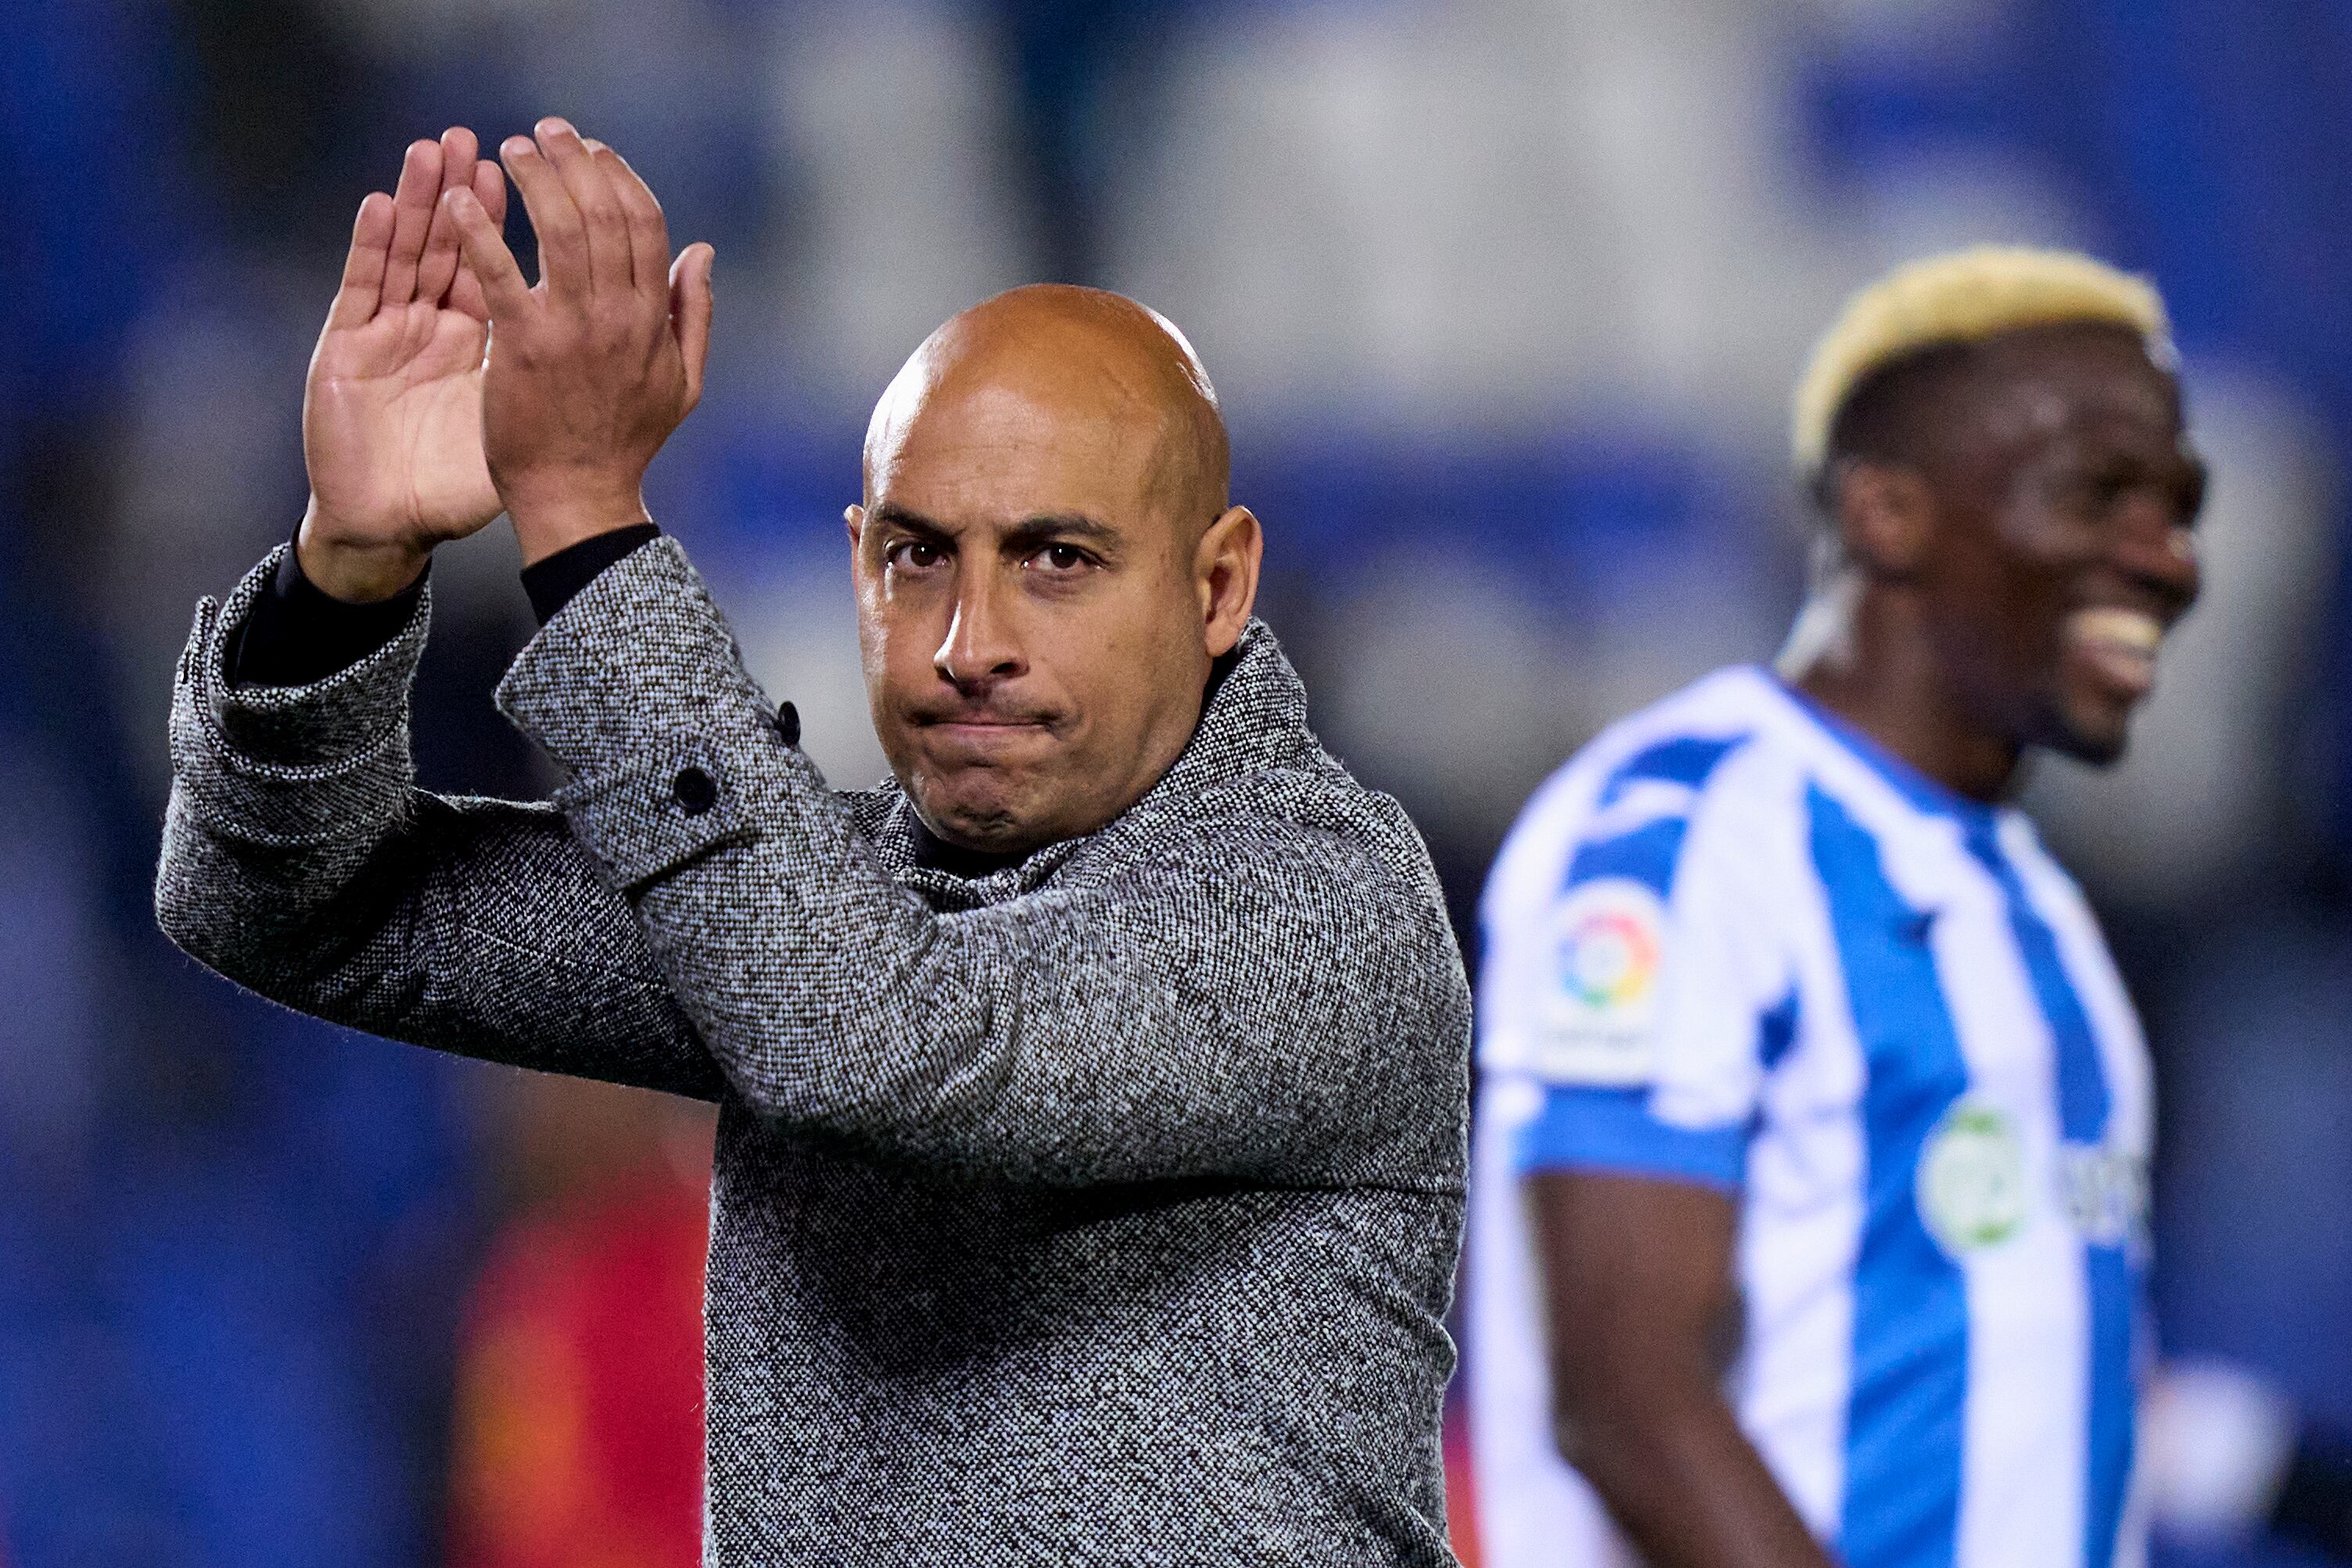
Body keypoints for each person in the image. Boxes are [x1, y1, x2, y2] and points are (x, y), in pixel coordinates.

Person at [155, 122, 1472, 1566]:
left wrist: (590, 525)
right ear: (857, 568)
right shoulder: (811, 917)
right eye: (919, 558)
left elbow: (875, 1038)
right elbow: (290, 906)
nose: (972, 645)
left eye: (1057, 560)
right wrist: (344, 581)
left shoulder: (1319, 905)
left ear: (1219, 584)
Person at [1463, 247, 2206, 1568]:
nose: (2168, 559)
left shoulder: (2034, 902)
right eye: (2101, 494)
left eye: (2178, 505)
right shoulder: (1688, 836)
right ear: (1889, 514)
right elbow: (1627, 1400)